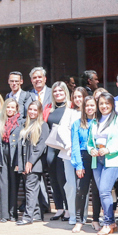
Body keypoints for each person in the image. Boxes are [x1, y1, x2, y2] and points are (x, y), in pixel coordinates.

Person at [90, 92, 118, 235]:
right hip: (98, 160)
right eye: (101, 103)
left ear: (112, 104)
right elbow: (90, 143)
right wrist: (92, 150)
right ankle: (112, 223)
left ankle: (107, 223)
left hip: (113, 159)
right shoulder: (95, 121)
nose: (104, 106)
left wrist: (109, 150)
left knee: (105, 191)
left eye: (107, 103)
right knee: (103, 193)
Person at [70, 94, 102, 233]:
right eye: (87, 105)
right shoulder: (77, 123)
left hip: (97, 158)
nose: (89, 108)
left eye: (92, 105)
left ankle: (95, 220)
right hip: (83, 158)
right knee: (81, 190)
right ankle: (79, 221)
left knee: (96, 191)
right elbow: (75, 145)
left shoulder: (100, 122)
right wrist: (78, 165)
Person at [44, 81, 74, 220]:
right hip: (51, 148)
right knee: (54, 179)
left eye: (61, 91)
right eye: (55, 91)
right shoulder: (49, 108)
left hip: (64, 147)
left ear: (65, 92)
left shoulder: (71, 107)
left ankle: (68, 208)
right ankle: (59, 208)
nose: (58, 93)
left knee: (64, 179)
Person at [0, 96, 19, 223]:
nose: (10, 109)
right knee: (3, 185)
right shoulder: (0, 122)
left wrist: (19, 163)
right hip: (2, 156)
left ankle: (13, 214)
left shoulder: (20, 122)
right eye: (8, 107)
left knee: (13, 185)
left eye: (13, 107)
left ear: (16, 109)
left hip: (15, 157)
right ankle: (3, 214)